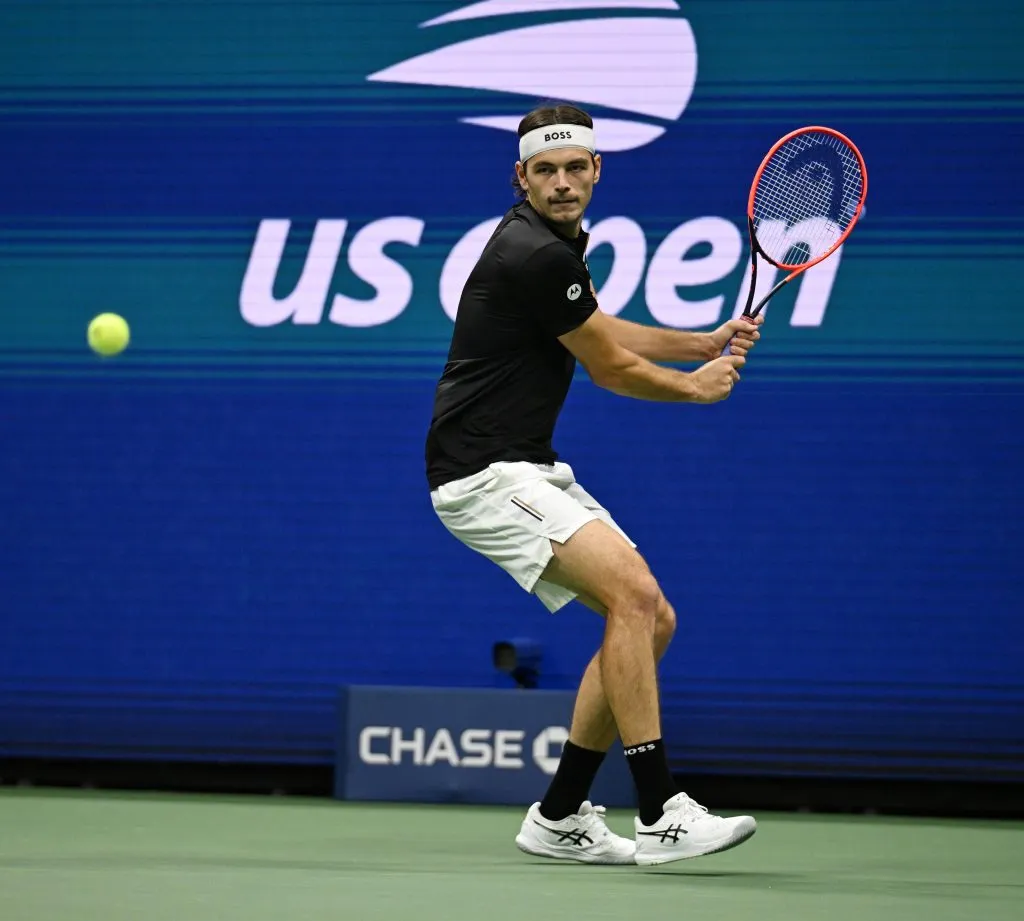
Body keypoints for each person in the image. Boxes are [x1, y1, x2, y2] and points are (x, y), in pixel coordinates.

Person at [425, 103, 763, 867]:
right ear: (522, 177)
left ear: (596, 168)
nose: (563, 182)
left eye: (576, 166)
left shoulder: (557, 249)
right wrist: (695, 386)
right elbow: (609, 365)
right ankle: (661, 810)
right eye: (545, 170)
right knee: (633, 595)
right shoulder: (534, 254)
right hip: (481, 472)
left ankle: (560, 814)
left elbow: (600, 328)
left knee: (653, 619)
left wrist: (699, 340)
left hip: (526, 464)